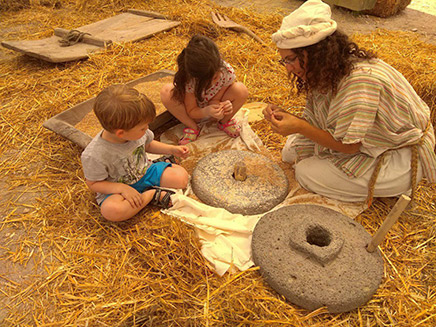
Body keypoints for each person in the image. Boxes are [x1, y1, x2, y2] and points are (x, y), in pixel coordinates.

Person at [263, 0, 436, 204]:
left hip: (398, 156)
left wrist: (300, 126)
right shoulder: (328, 69)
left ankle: (383, 188)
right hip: (365, 143)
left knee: (305, 172)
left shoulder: (360, 81)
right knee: (290, 152)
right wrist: (291, 119)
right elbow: (324, 120)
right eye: (284, 61)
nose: (288, 68)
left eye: (290, 59)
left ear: (315, 52)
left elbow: (350, 147)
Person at [81, 84, 190, 222]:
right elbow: (93, 184)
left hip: (144, 171)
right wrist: (122, 188)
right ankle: (151, 194)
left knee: (181, 178)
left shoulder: (137, 132)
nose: (147, 129)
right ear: (121, 133)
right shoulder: (94, 155)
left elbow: (148, 145)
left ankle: (158, 166)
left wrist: (171, 149)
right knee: (112, 211)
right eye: (143, 128)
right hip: (118, 188)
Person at [160, 34, 249, 145]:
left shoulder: (225, 71)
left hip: (210, 110)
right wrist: (206, 111)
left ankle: (224, 122)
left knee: (241, 89)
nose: (213, 83)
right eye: (206, 82)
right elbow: (192, 111)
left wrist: (223, 107)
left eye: (215, 78)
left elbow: (215, 99)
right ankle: (193, 127)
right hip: (194, 112)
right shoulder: (191, 80)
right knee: (166, 91)